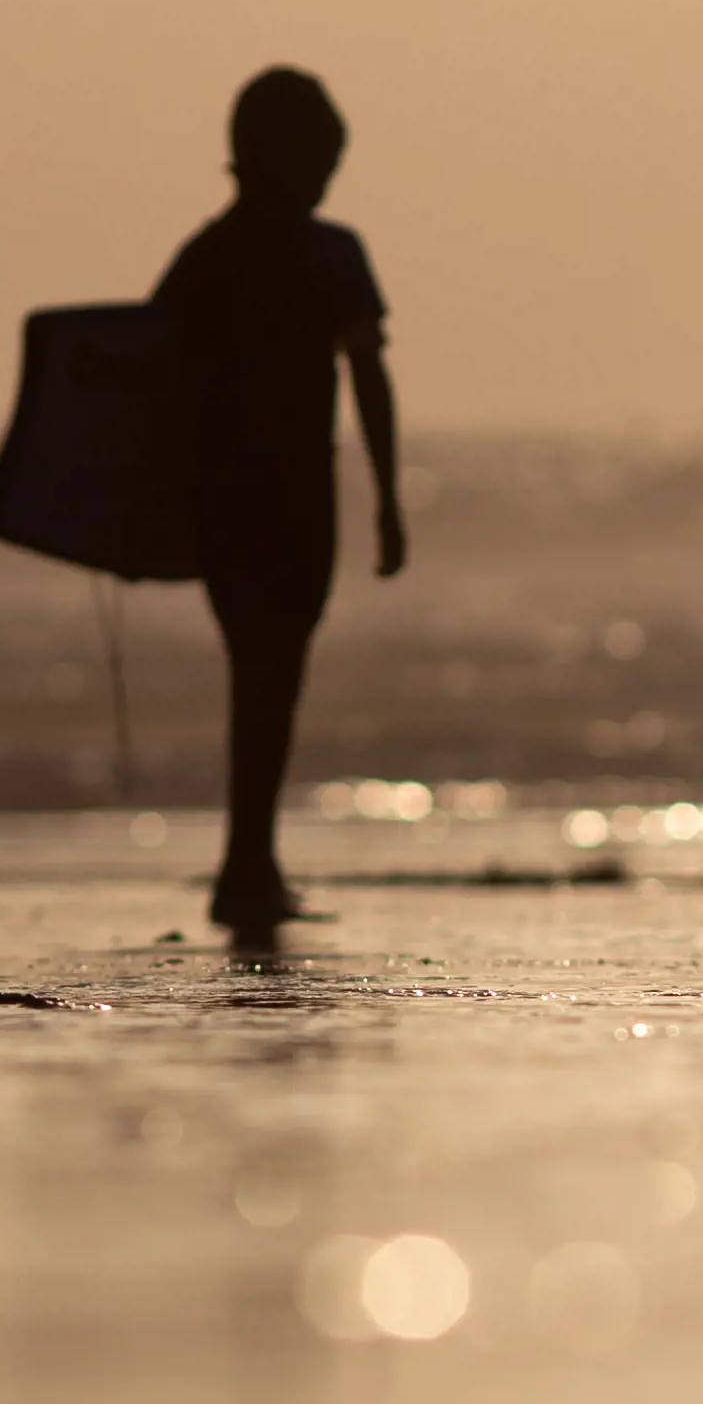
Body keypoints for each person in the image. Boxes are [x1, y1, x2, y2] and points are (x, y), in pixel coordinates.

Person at [153, 68, 405, 949]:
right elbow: (368, 377)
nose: (326, 178)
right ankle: (246, 867)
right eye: (319, 159)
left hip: (232, 496)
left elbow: (153, 381)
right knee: (272, 675)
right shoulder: (326, 256)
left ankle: (248, 862)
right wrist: (389, 499)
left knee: (258, 673)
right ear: (271, 155)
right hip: (286, 498)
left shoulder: (206, 256)